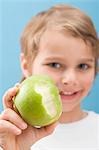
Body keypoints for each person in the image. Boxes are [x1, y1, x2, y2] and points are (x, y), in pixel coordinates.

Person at [0, 4, 99, 150]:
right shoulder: (12, 135)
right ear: (27, 66)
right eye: (55, 64)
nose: (70, 79)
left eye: (83, 66)